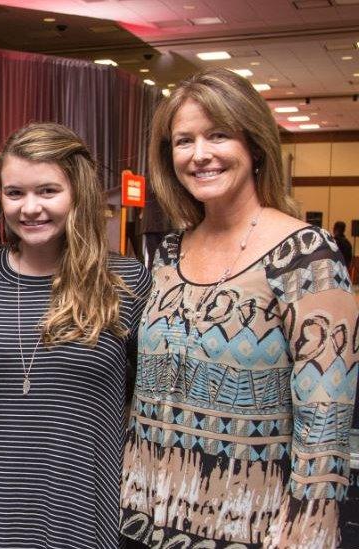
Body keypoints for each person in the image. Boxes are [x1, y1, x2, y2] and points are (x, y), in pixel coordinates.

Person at [120, 68, 358, 548]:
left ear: (254, 145)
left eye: (218, 135)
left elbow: (326, 420)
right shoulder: (167, 252)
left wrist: (309, 525)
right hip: (142, 519)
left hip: (256, 526)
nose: (199, 154)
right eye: (183, 140)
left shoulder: (307, 254)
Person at [0, 122, 152, 548]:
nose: (30, 208)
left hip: (83, 512)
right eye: (15, 193)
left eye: (47, 191)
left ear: (78, 192)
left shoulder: (126, 281)